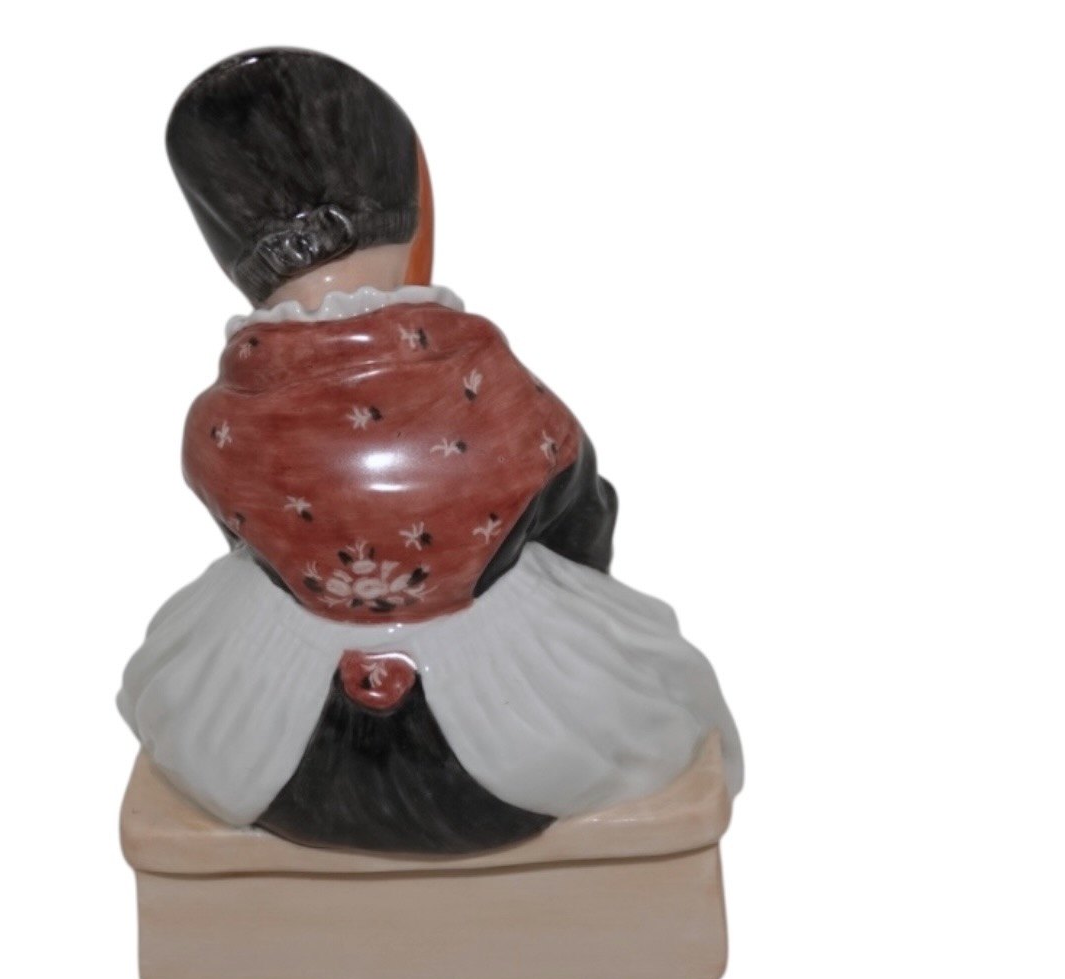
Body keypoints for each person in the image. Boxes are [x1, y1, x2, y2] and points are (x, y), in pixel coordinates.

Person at [118, 48, 743, 855]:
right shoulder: (486, 379)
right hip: (510, 760)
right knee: (655, 680)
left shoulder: (217, 422)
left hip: (283, 771)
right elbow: (581, 523)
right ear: (412, 211)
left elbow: (251, 549)